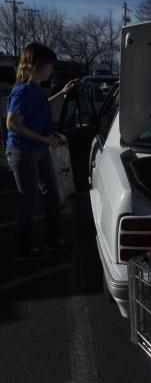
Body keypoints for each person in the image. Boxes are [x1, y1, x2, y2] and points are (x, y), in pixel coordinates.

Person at [5, 42, 77, 261]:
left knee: (52, 194)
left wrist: (62, 94)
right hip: (23, 151)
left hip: (39, 149)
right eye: (50, 65)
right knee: (30, 200)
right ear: (36, 65)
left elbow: (39, 106)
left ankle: (52, 239)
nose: (52, 69)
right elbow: (13, 124)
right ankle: (21, 249)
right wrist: (46, 139)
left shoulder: (35, 89)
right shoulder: (23, 90)